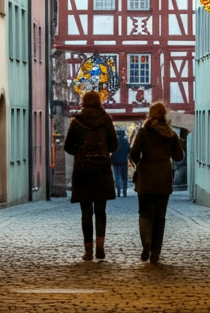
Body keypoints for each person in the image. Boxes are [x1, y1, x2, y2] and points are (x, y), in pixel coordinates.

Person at [64, 90, 118, 261]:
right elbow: (114, 145)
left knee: (86, 212)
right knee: (101, 211)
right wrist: (102, 150)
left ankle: (88, 250)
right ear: (99, 102)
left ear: (83, 102)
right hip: (101, 169)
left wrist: (80, 152)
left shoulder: (77, 121)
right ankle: (100, 246)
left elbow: (68, 147)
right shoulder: (106, 120)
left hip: (82, 170)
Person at [129, 101, 184, 264]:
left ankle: (146, 242)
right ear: (164, 116)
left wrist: (139, 163)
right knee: (160, 217)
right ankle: (155, 253)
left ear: (150, 114)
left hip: (145, 178)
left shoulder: (143, 132)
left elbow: (133, 153)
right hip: (163, 178)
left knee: (145, 214)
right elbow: (179, 157)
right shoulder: (171, 134)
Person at [111, 126, 130, 197]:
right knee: (124, 177)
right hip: (124, 161)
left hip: (115, 161)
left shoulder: (114, 142)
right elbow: (128, 150)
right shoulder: (125, 142)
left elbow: (111, 150)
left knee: (117, 176)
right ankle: (124, 191)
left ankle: (118, 191)